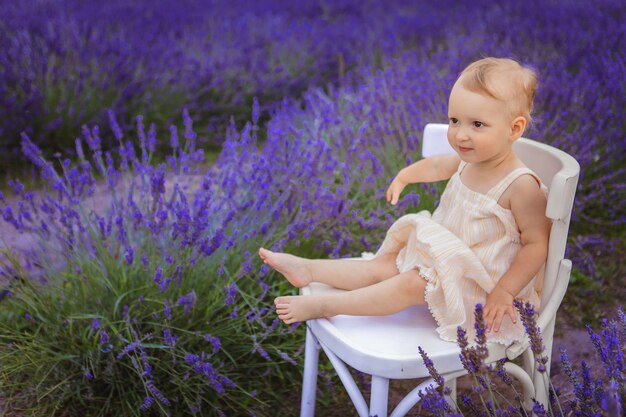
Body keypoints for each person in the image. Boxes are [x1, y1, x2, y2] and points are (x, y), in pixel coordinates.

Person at [258, 57, 550, 344]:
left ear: (514, 129)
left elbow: (536, 245)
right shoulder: (471, 160)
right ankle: (308, 268)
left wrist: (505, 291)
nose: (460, 134)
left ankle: (330, 306)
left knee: (412, 283)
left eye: (477, 124)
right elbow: (437, 166)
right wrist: (405, 176)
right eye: (454, 120)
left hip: (481, 287)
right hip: (445, 262)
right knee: (385, 266)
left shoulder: (521, 186)